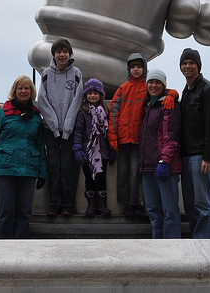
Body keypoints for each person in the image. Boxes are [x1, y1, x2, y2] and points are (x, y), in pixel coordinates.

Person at [108, 53, 178, 217]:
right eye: (133, 67)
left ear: (144, 69)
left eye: (139, 67)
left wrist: (173, 95)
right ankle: (126, 204)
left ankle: (136, 203)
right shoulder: (122, 89)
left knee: (136, 173)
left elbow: (167, 91)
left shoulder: (147, 87)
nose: (136, 70)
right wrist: (112, 136)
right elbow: (113, 113)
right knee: (123, 173)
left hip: (140, 139)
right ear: (128, 69)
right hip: (123, 139)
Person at [0, 75, 47, 238]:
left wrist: (42, 173)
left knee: (24, 212)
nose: (24, 91)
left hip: (29, 169)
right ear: (14, 91)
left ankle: (21, 246)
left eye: (27, 88)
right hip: (6, 169)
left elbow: (40, 146)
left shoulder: (37, 117)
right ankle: (4, 247)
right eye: (20, 88)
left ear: (31, 92)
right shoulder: (1, 113)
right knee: (6, 211)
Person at [179, 48, 210, 239]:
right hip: (186, 156)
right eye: (184, 63)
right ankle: (196, 242)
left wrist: (208, 156)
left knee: (203, 204)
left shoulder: (208, 89)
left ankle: (204, 243)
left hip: (200, 157)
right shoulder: (186, 91)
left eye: (191, 63)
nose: (187, 66)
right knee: (190, 203)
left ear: (198, 65)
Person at [38, 38, 83, 216]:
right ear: (54, 54)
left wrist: (67, 125)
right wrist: (55, 125)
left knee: (68, 166)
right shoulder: (46, 74)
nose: (62, 55)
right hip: (51, 130)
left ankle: (67, 205)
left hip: (70, 130)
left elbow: (77, 101)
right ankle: (54, 204)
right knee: (53, 165)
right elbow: (43, 101)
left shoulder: (77, 74)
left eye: (65, 51)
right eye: (59, 52)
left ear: (70, 54)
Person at [138, 69, 182, 239]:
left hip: (164, 167)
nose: (153, 85)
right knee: (154, 212)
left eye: (157, 82)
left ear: (164, 85)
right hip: (148, 167)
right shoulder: (149, 106)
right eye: (151, 82)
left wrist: (165, 161)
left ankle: (173, 250)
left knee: (169, 212)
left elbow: (170, 136)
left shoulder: (169, 106)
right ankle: (159, 249)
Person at [73, 78, 115, 217]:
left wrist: (112, 148)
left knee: (101, 179)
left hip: (102, 152)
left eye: (96, 93)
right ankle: (91, 206)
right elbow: (78, 130)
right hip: (87, 153)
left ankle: (102, 206)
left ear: (101, 95)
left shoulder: (105, 111)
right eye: (90, 93)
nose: (92, 96)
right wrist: (78, 147)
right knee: (89, 180)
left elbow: (110, 131)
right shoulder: (83, 112)